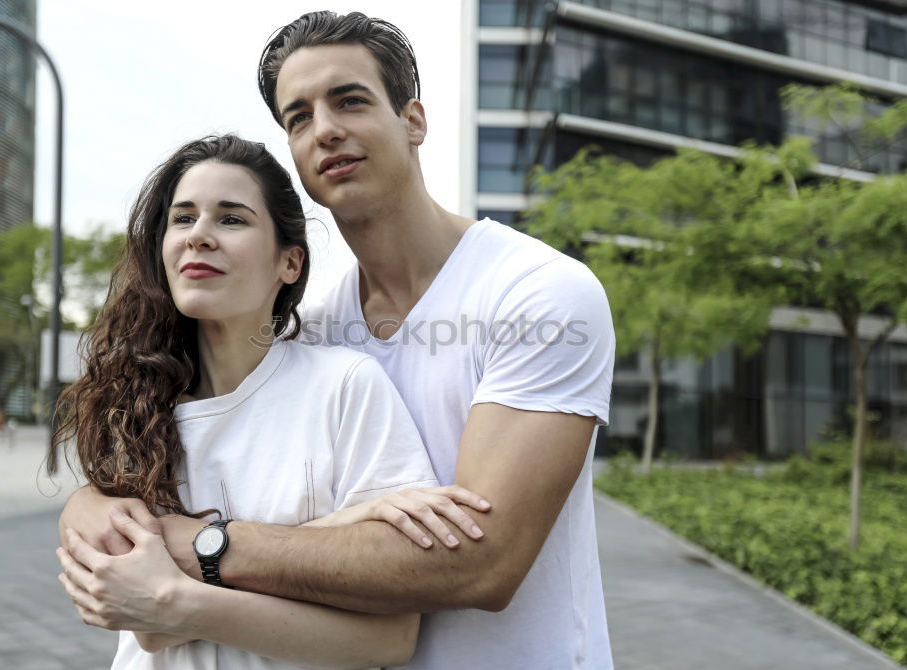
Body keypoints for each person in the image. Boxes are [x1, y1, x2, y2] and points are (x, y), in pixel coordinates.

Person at [59, 10, 616, 669]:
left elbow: (481, 565)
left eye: (349, 100)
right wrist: (89, 504)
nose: (324, 129)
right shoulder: (311, 327)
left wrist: (191, 543)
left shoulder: (538, 293)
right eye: (298, 116)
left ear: (414, 121)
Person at [51, 133, 491, 669]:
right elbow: (146, 627)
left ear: (290, 263)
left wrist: (182, 599)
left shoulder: (343, 386)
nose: (199, 237)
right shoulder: (136, 403)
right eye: (183, 218)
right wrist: (334, 529)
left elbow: (391, 637)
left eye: (231, 219)